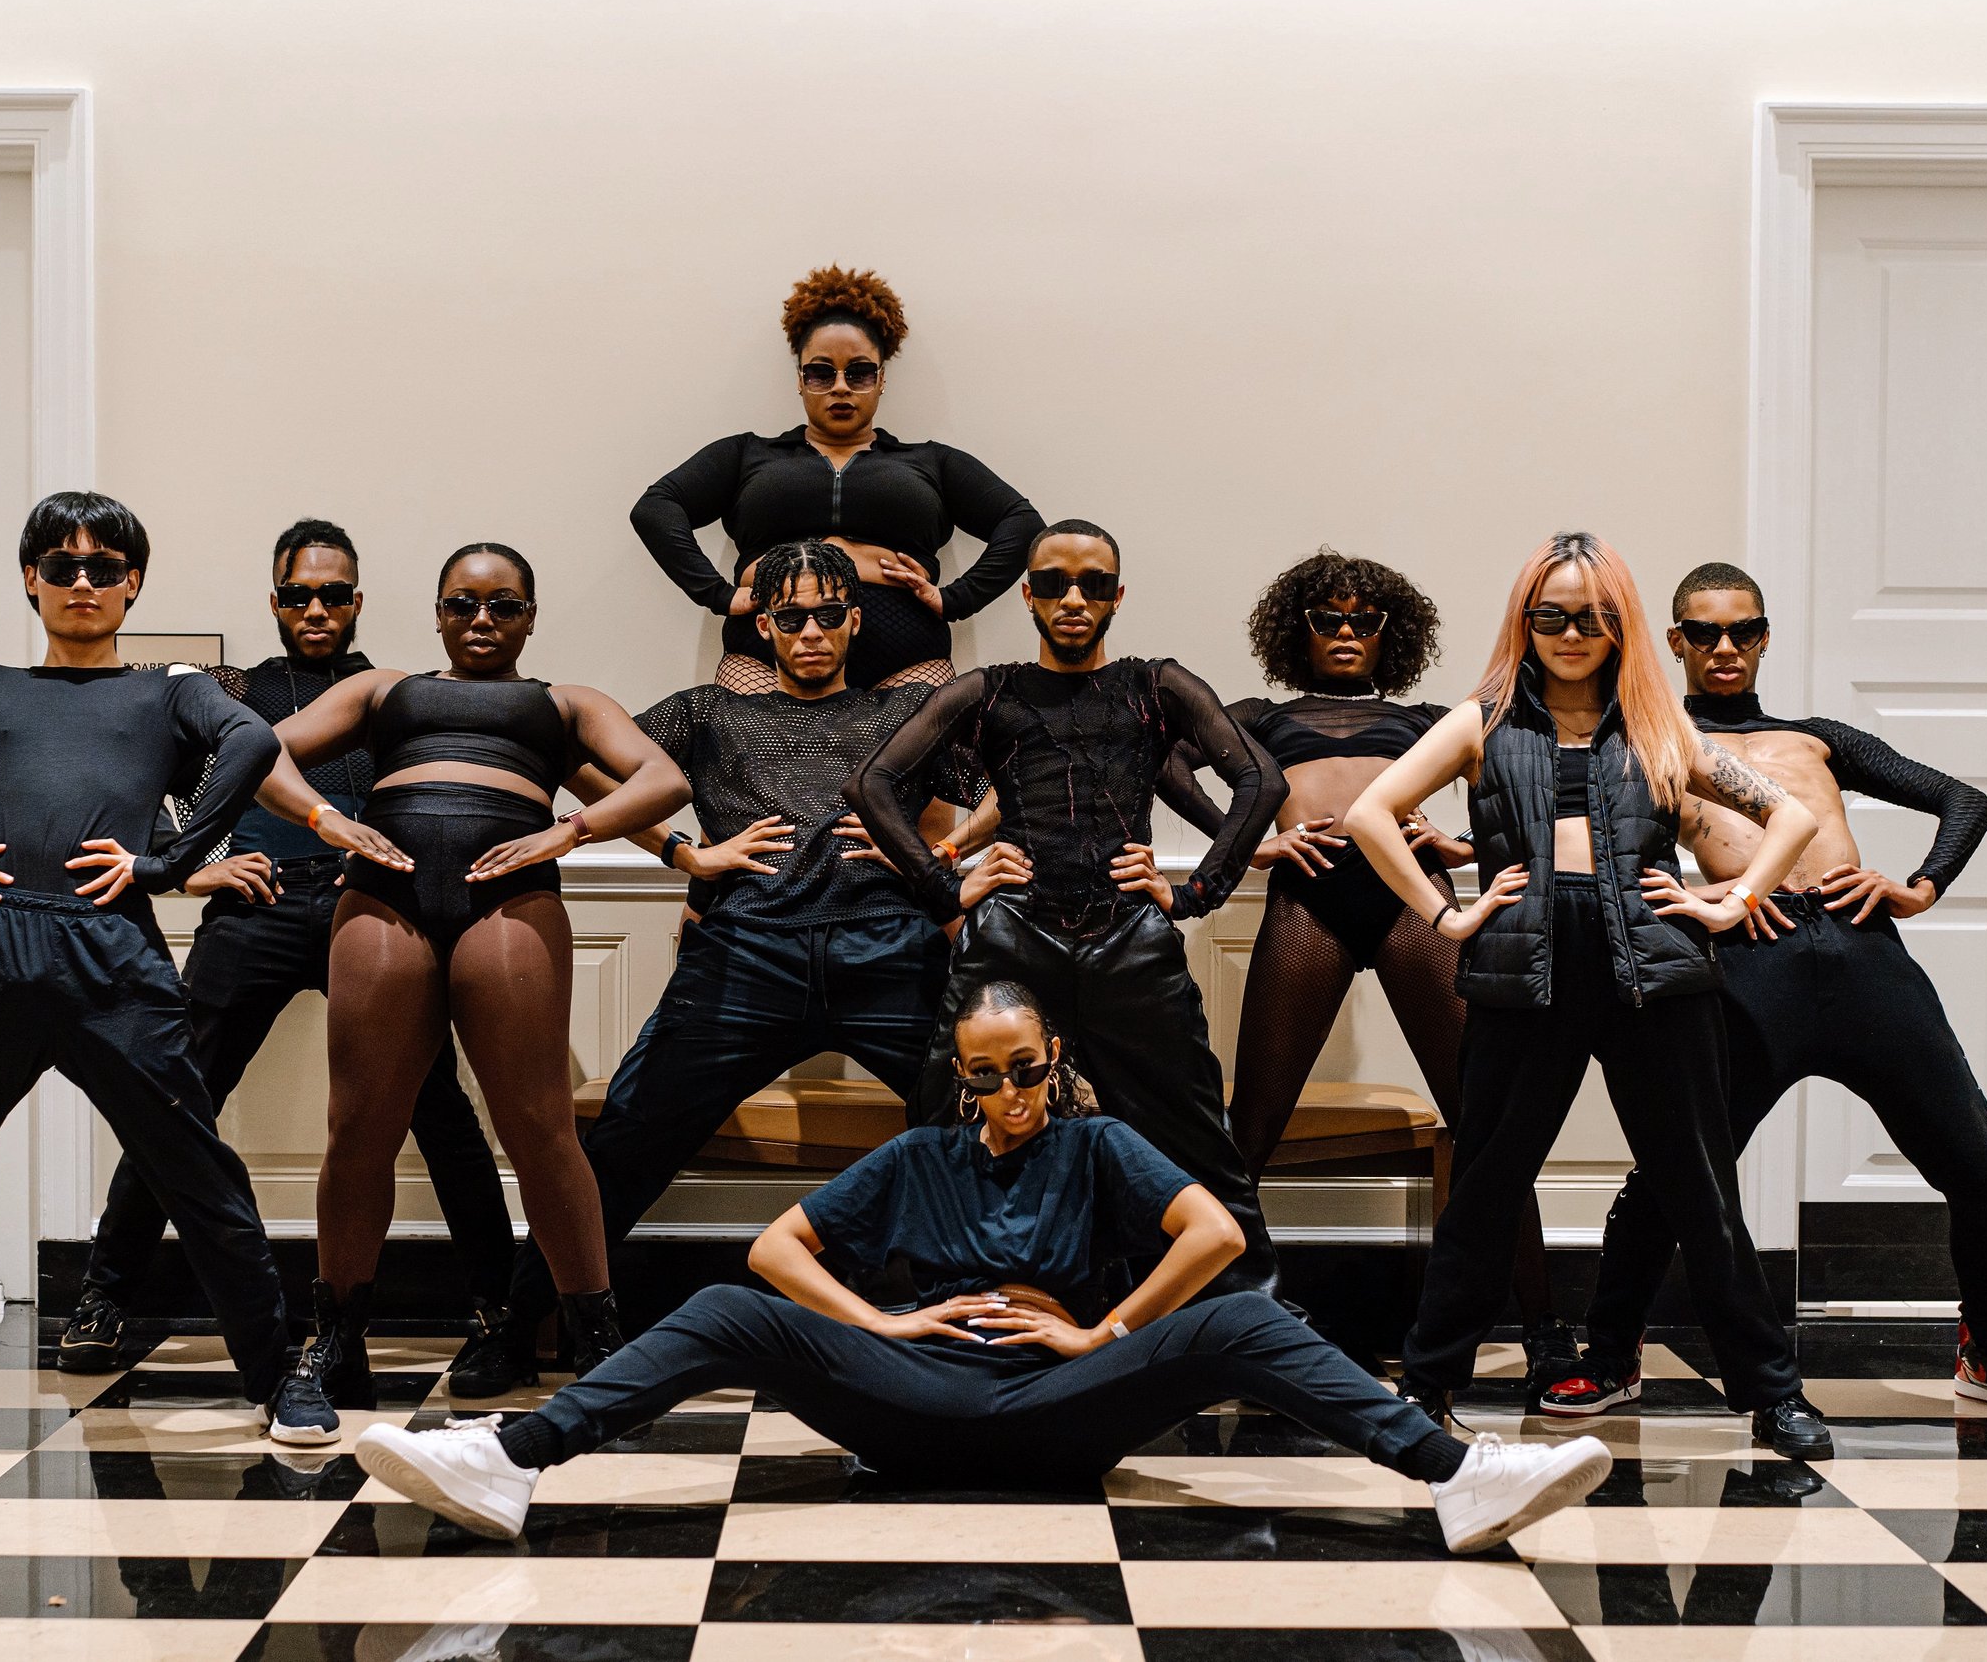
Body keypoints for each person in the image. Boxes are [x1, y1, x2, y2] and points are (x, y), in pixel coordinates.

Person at [356, 981, 1613, 1554]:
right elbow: (774, 1245)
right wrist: (884, 1328)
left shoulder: (1098, 1142)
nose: (1010, 1090)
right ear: (960, 1076)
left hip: (1062, 1406)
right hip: (914, 1403)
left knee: (1238, 1317)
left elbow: (1217, 1235)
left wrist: (1099, 1333)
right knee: (733, 1303)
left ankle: (1456, 1476)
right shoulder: (917, 1156)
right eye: (986, 1073)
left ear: (1055, 1058)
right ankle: (512, 1459)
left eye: (1026, 1067)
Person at [0, 491, 336, 1445]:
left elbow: (251, 740)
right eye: (60, 565)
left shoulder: (168, 688)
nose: (81, 581)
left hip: (112, 959)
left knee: (198, 1175)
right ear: (31, 580)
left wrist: (166, 863)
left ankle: (275, 1377)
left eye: (103, 567)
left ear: (132, 584)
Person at [1342, 531, 1836, 1459]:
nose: (1571, 634)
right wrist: (1444, 914)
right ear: (1526, 621)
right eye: (1552, 616)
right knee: (1485, 1187)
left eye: (1592, 617)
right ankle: (1428, 1385)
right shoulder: (1482, 721)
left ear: (1620, 625)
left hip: (1656, 974)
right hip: (1523, 974)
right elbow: (1371, 812)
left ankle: (1772, 1394)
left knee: (1701, 1188)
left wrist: (1730, 900)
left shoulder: (1659, 726)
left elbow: (1792, 814)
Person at [1543, 563, 1987, 1419]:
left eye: (1742, 630)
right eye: (1703, 632)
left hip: (1864, 955)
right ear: (1674, 641)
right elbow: (1577, 838)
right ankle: (1610, 1353)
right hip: (1750, 961)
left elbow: (1964, 799)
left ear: (1764, 638)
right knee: (1677, 1171)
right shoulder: (1650, 740)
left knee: (1978, 1165)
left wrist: (1920, 886)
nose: (1724, 646)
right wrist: (1696, 894)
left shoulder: (1816, 738)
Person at [492, 539, 985, 1374]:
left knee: (980, 1118)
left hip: (888, 952)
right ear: (763, 626)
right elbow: (576, 759)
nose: (810, 632)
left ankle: (983, 1317)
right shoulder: (707, 713)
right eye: (791, 618)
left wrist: (937, 854)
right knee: (629, 1136)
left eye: (828, 615)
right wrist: (683, 852)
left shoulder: (904, 712)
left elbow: (1017, 770)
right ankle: (520, 1325)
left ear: (855, 621)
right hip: (746, 957)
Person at [55, 519, 524, 1393]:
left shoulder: (399, 694)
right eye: (299, 594)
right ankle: (103, 1298)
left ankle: (504, 1308)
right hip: (258, 905)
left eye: (333, 594)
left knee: (440, 1112)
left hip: (374, 908)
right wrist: (193, 868)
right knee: (172, 1100)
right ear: (274, 600)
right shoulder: (235, 689)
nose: (316, 608)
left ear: (357, 600)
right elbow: (135, 770)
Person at [251, 544, 690, 1406]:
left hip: (510, 896)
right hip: (387, 893)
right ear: (438, 613)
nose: (482, 619)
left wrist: (568, 831)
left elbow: (664, 778)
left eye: (504, 606)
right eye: (462, 604)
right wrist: (325, 818)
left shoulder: (565, 703)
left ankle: (598, 1341)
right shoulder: (383, 690)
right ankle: (336, 1340)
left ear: (531, 616)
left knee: (539, 1127)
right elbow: (253, 748)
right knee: (359, 1126)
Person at [846, 519, 1285, 1295]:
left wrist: (1194, 893)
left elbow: (1262, 780)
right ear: (1028, 596)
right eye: (1053, 583)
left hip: (1130, 943)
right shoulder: (988, 690)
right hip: (1011, 940)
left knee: (1192, 1134)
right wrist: (944, 888)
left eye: (1091, 583)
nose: (1072, 598)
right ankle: (948, 1306)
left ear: (1117, 595)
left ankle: (1248, 1314)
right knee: (948, 1120)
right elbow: (871, 782)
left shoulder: (1157, 685)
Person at [1157, 550, 1566, 1379]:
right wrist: (1247, 844)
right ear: (1298, 631)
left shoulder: (1426, 718)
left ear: (1390, 633)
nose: (1346, 632)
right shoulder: (1262, 717)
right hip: (1310, 903)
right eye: (1328, 619)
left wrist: (1464, 843)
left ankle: (1547, 1329)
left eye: (1365, 620)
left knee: (1484, 1120)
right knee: (1252, 1126)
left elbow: (1539, 776)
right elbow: (1161, 759)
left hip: (1413, 902)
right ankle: (1207, 1318)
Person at [633, 264, 1043, 693]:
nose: (841, 387)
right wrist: (718, 594)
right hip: (764, 665)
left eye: (859, 372)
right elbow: (656, 508)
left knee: (933, 737)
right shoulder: (747, 455)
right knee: (747, 738)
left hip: (907, 666)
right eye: (822, 373)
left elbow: (1022, 522)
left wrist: (955, 599)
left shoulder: (931, 461)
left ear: (881, 380)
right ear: (800, 380)